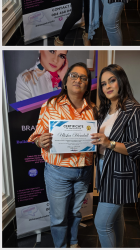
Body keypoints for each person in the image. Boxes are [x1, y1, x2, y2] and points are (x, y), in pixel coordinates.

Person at [27, 60, 95, 249]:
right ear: (65, 81)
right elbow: (37, 135)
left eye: (83, 78)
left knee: (75, 212)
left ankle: (73, 242)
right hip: (58, 172)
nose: (78, 80)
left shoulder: (93, 108)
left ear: (87, 84)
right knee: (58, 217)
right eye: (74, 75)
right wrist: (40, 141)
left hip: (84, 171)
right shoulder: (51, 105)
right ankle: (61, 246)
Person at [91, 64, 140, 249]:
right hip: (103, 168)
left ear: (121, 81)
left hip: (120, 174)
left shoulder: (135, 111)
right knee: (115, 219)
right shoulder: (105, 111)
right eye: (103, 84)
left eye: (112, 80)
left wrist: (110, 143)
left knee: (101, 223)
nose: (107, 86)